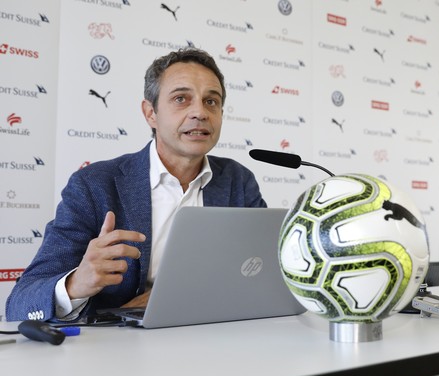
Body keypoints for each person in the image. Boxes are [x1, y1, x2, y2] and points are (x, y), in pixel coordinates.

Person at [6, 48, 267, 322]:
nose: (199, 112)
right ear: (150, 113)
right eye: (181, 99)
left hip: (219, 337)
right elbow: (19, 304)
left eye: (211, 102)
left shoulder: (238, 180)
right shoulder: (94, 185)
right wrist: (76, 284)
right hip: (119, 352)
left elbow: (262, 272)